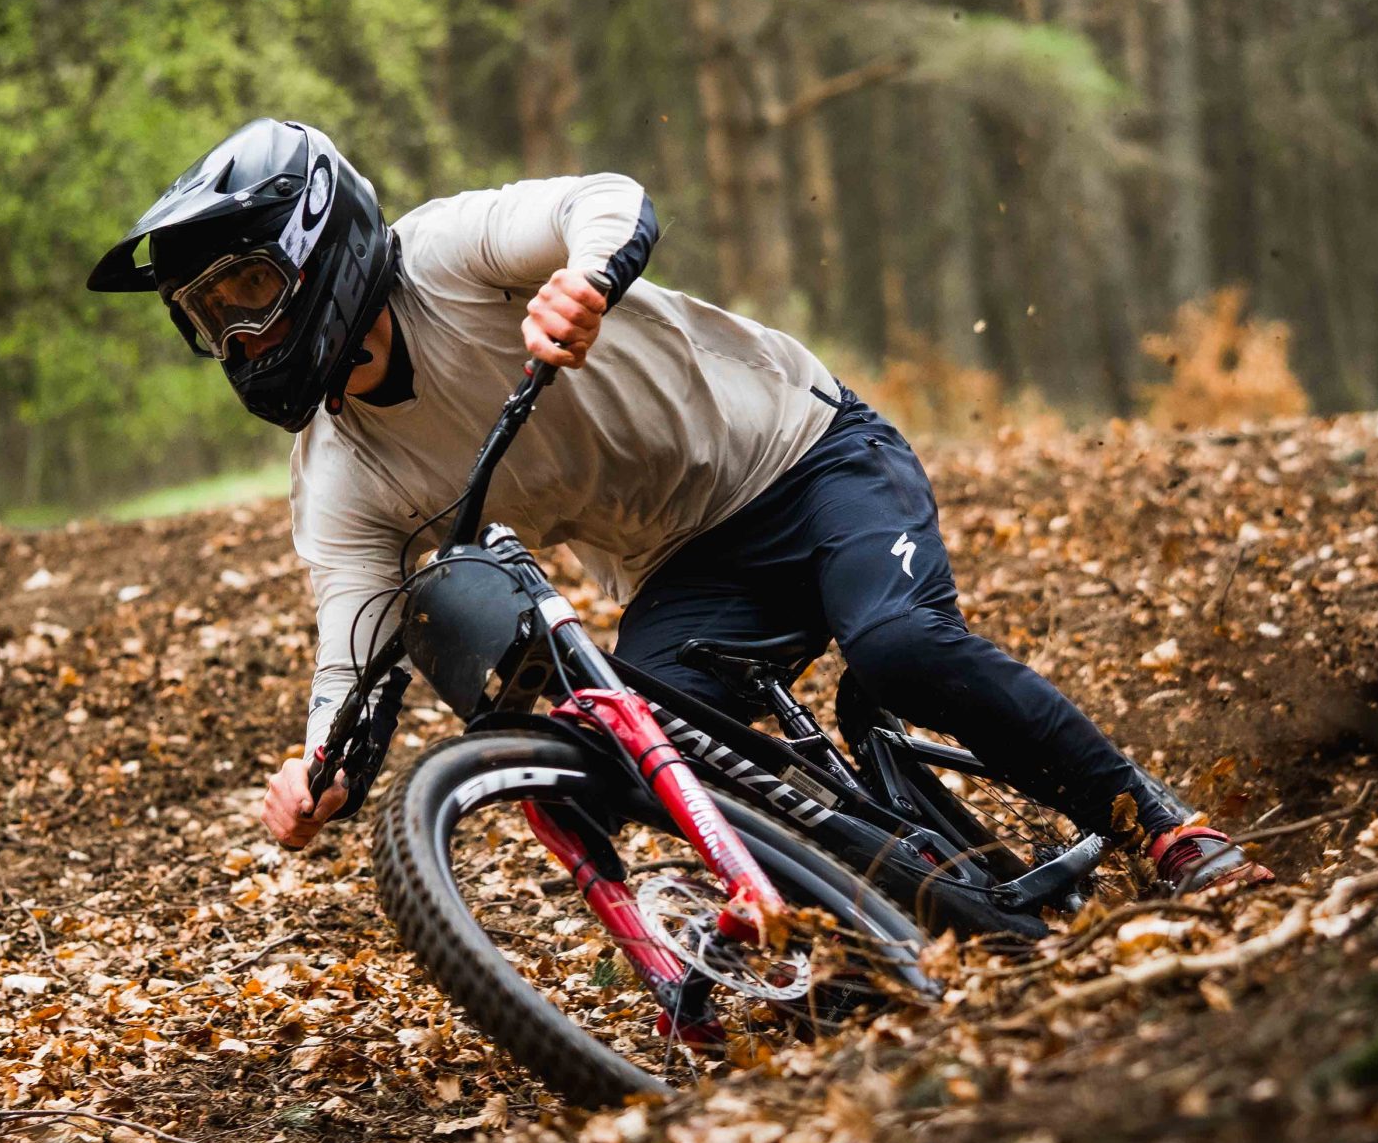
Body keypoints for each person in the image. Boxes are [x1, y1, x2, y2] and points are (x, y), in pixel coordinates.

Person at [89, 118, 1271, 896]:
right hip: (686, 566)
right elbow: (352, 645)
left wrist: (586, 278)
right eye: (209, 317)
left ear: (316, 244)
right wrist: (318, 769)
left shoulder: (445, 253)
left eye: (249, 289)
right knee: (624, 756)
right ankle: (891, 887)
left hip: (810, 454)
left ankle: (1159, 826)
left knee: (901, 644)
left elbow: (604, 198)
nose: (240, 333)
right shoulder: (341, 474)